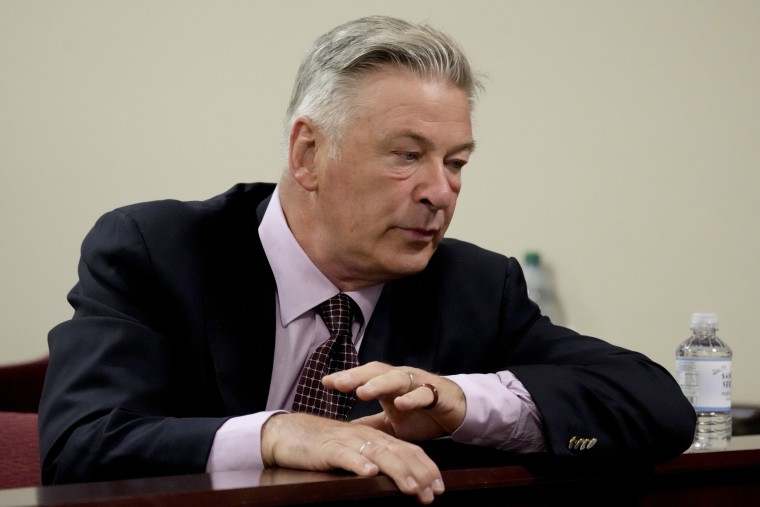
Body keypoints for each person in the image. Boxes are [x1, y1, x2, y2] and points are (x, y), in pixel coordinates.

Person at [39, 15, 696, 504]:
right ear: (307, 154)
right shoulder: (160, 251)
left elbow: (657, 406)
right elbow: (81, 443)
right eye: (407, 155)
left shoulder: (473, 284)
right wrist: (276, 434)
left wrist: (463, 401)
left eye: (457, 162)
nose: (441, 191)